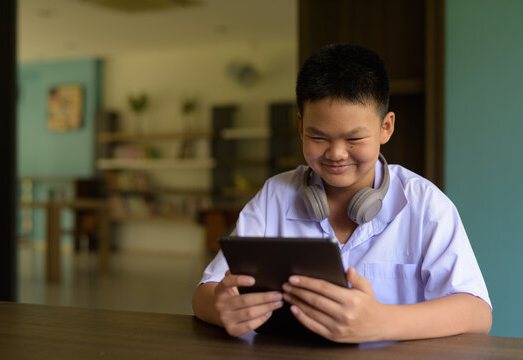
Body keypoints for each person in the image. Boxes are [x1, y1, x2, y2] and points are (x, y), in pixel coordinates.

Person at [192, 43, 492, 343]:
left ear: (386, 127)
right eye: (318, 136)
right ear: (300, 126)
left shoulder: (425, 204)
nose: (336, 153)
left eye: (355, 138)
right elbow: (205, 293)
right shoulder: (275, 196)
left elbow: (477, 313)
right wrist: (224, 309)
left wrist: (382, 322)